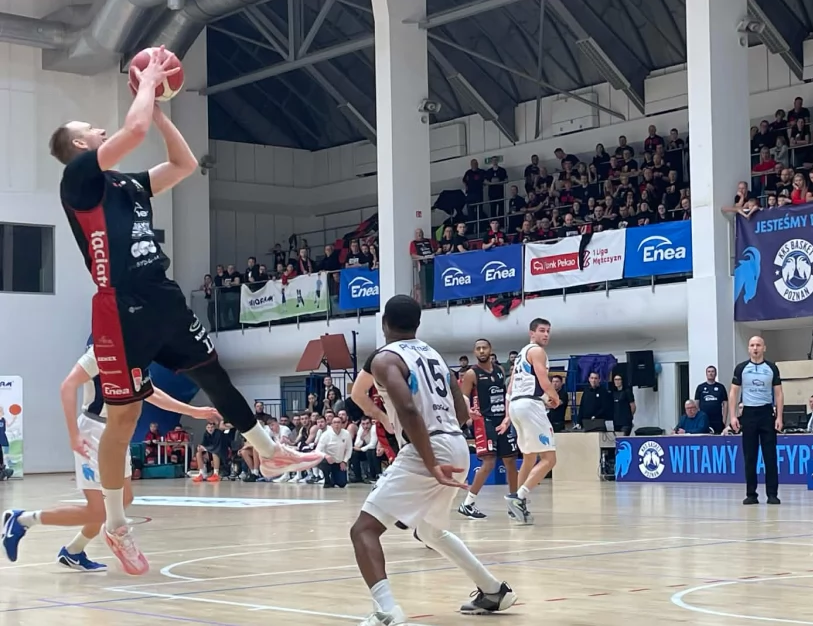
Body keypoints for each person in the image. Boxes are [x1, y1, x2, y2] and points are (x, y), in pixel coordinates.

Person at [51, 46, 321, 573]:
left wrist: (162, 107)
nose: (103, 130)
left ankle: (268, 450)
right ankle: (116, 526)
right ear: (81, 145)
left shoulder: (127, 185)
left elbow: (184, 165)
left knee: (212, 371)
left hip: (162, 295)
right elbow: (130, 133)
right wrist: (148, 82)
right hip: (119, 306)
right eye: (92, 128)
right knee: (123, 417)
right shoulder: (78, 181)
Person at [349, 295, 515, 625]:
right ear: (418, 324)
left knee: (363, 531)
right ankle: (494, 591)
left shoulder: (384, 359)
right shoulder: (435, 357)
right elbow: (463, 412)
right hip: (455, 444)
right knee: (430, 531)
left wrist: (429, 461)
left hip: (428, 450)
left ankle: (386, 611)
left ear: (384, 324)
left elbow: (409, 410)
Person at [3, 346, 219, 568]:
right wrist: (73, 435)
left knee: (124, 499)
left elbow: (150, 392)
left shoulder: (138, 353)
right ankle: (21, 520)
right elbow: (67, 385)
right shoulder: (100, 351)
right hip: (94, 431)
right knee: (97, 509)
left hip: (118, 434)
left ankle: (73, 551)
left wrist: (192, 411)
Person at [498, 318, 559, 524]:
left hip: (516, 406)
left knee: (529, 458)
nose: (546, 335)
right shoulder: (537, 351)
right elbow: (544, 381)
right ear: (531, 333)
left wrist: (507, 416)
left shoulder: (520, 356)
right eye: (542, 330)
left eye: (548, 331)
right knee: (550, 459)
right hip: (530, 406)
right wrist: (556, 398)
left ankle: (514, 504)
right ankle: (519, 497)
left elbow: (510, 389)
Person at [458, 339, 519, 520]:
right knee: (489, 463)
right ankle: (467, 503)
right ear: (474, 352)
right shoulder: (471, 373)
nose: (482, 351)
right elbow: (463, 396)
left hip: (503, 421)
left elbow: (506, 395)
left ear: (491, 350)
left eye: (484, 348)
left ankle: (514, 503)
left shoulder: (500, 370)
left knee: (511, 462)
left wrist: (508, 417)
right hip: (485, 422)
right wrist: (469, 413)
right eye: (478, 348)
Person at [729, 336, 784, 505]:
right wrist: (732, 416)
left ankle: (772, 494)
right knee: (750, 456)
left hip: (766, 413)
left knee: (770, 457)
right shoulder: (741, 368)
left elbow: (779, 393)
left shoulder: (772, 368)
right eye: (752, 345)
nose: (755, 348)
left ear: (764, 348)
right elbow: (733, 393)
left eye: (758, 345)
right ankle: (751, 494)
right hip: (749, 414)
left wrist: (780, 417)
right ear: (748, 348)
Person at [694, 366, 729, 436]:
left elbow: (725, 404)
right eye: (709, 371)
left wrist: (724, 420)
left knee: (718, 438)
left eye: (712, 371)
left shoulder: (721, 387)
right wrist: (698, 418)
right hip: (704, 419)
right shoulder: (700, 387)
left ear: (715, 374)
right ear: (706, 374)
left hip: (717, 419)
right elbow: (696, 403)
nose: (711, 373)